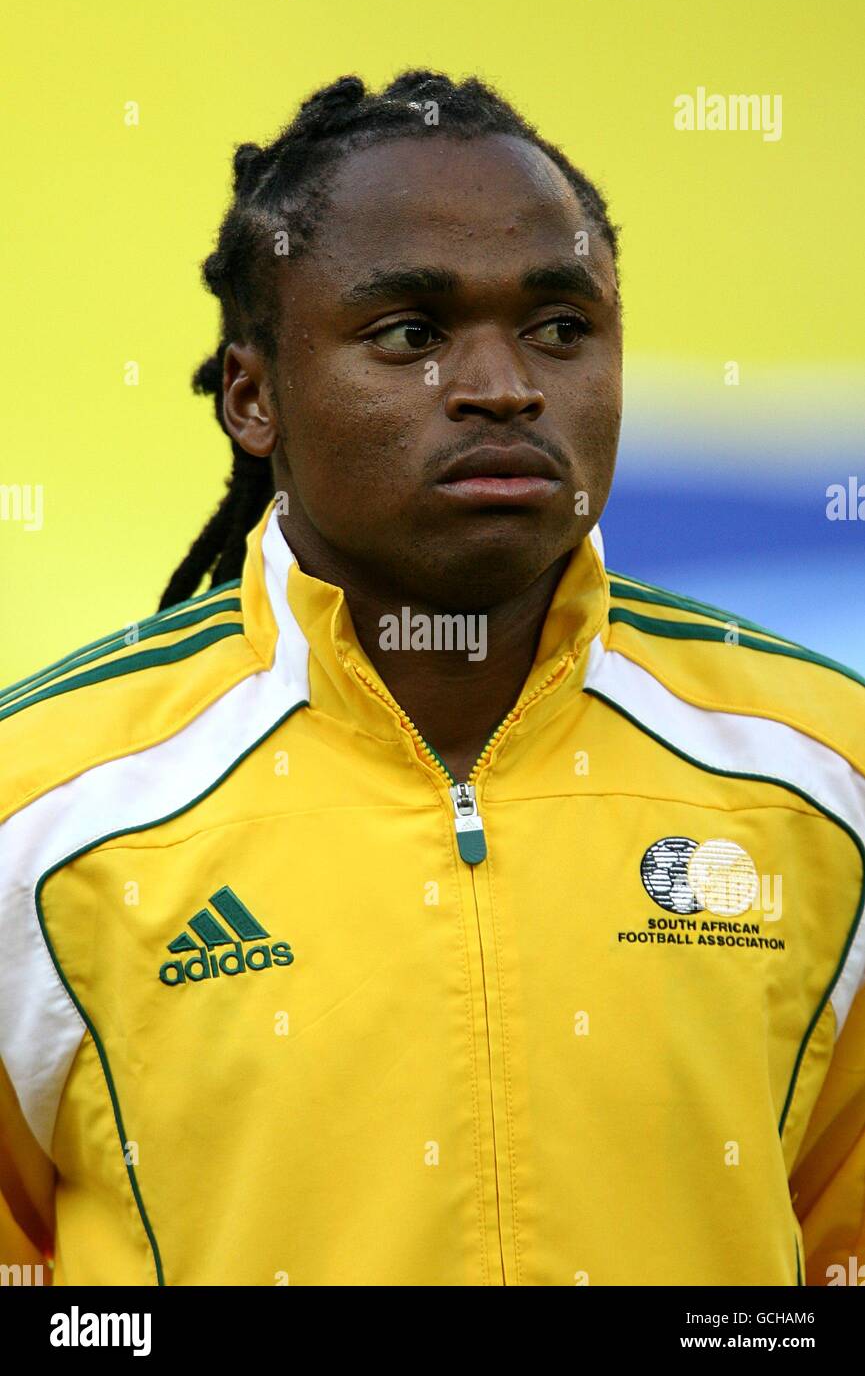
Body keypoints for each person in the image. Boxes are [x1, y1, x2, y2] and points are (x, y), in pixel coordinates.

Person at [1, 69, 863, 1288]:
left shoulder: (824, 772)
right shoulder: (42, 807)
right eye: (410, 334)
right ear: (253, 397)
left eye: (559, 328)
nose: (504, 385)